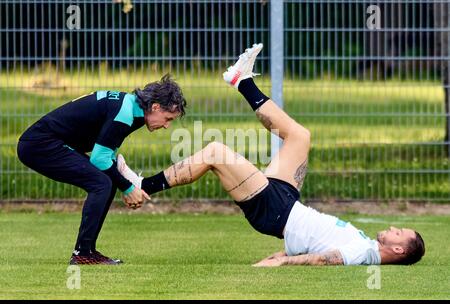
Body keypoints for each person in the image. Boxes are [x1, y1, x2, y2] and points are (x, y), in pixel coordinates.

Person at [117, 44, 425, 266]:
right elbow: (320, 243)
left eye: (399, 233)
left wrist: (283, 263)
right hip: (287, 202)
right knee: (300, 136)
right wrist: (286, 253)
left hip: (276, 212)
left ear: (398, 250)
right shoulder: (368, 244)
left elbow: (325, 259)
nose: (393, 228)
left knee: (215, 152)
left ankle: (144, 185)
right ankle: (242, 80)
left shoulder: (365, 254)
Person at [17, 74, 186, 265]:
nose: (166, 125)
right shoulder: (125, 113)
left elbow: (107, 152)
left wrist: (124, 183)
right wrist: (129, 189)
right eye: (168, 118)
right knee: (101, 183)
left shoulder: (130, 107)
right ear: (155, 107)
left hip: (48, 143)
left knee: (107, 181)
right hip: (39, 145)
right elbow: (99, 158)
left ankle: (87, 251)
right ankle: (82, 253)